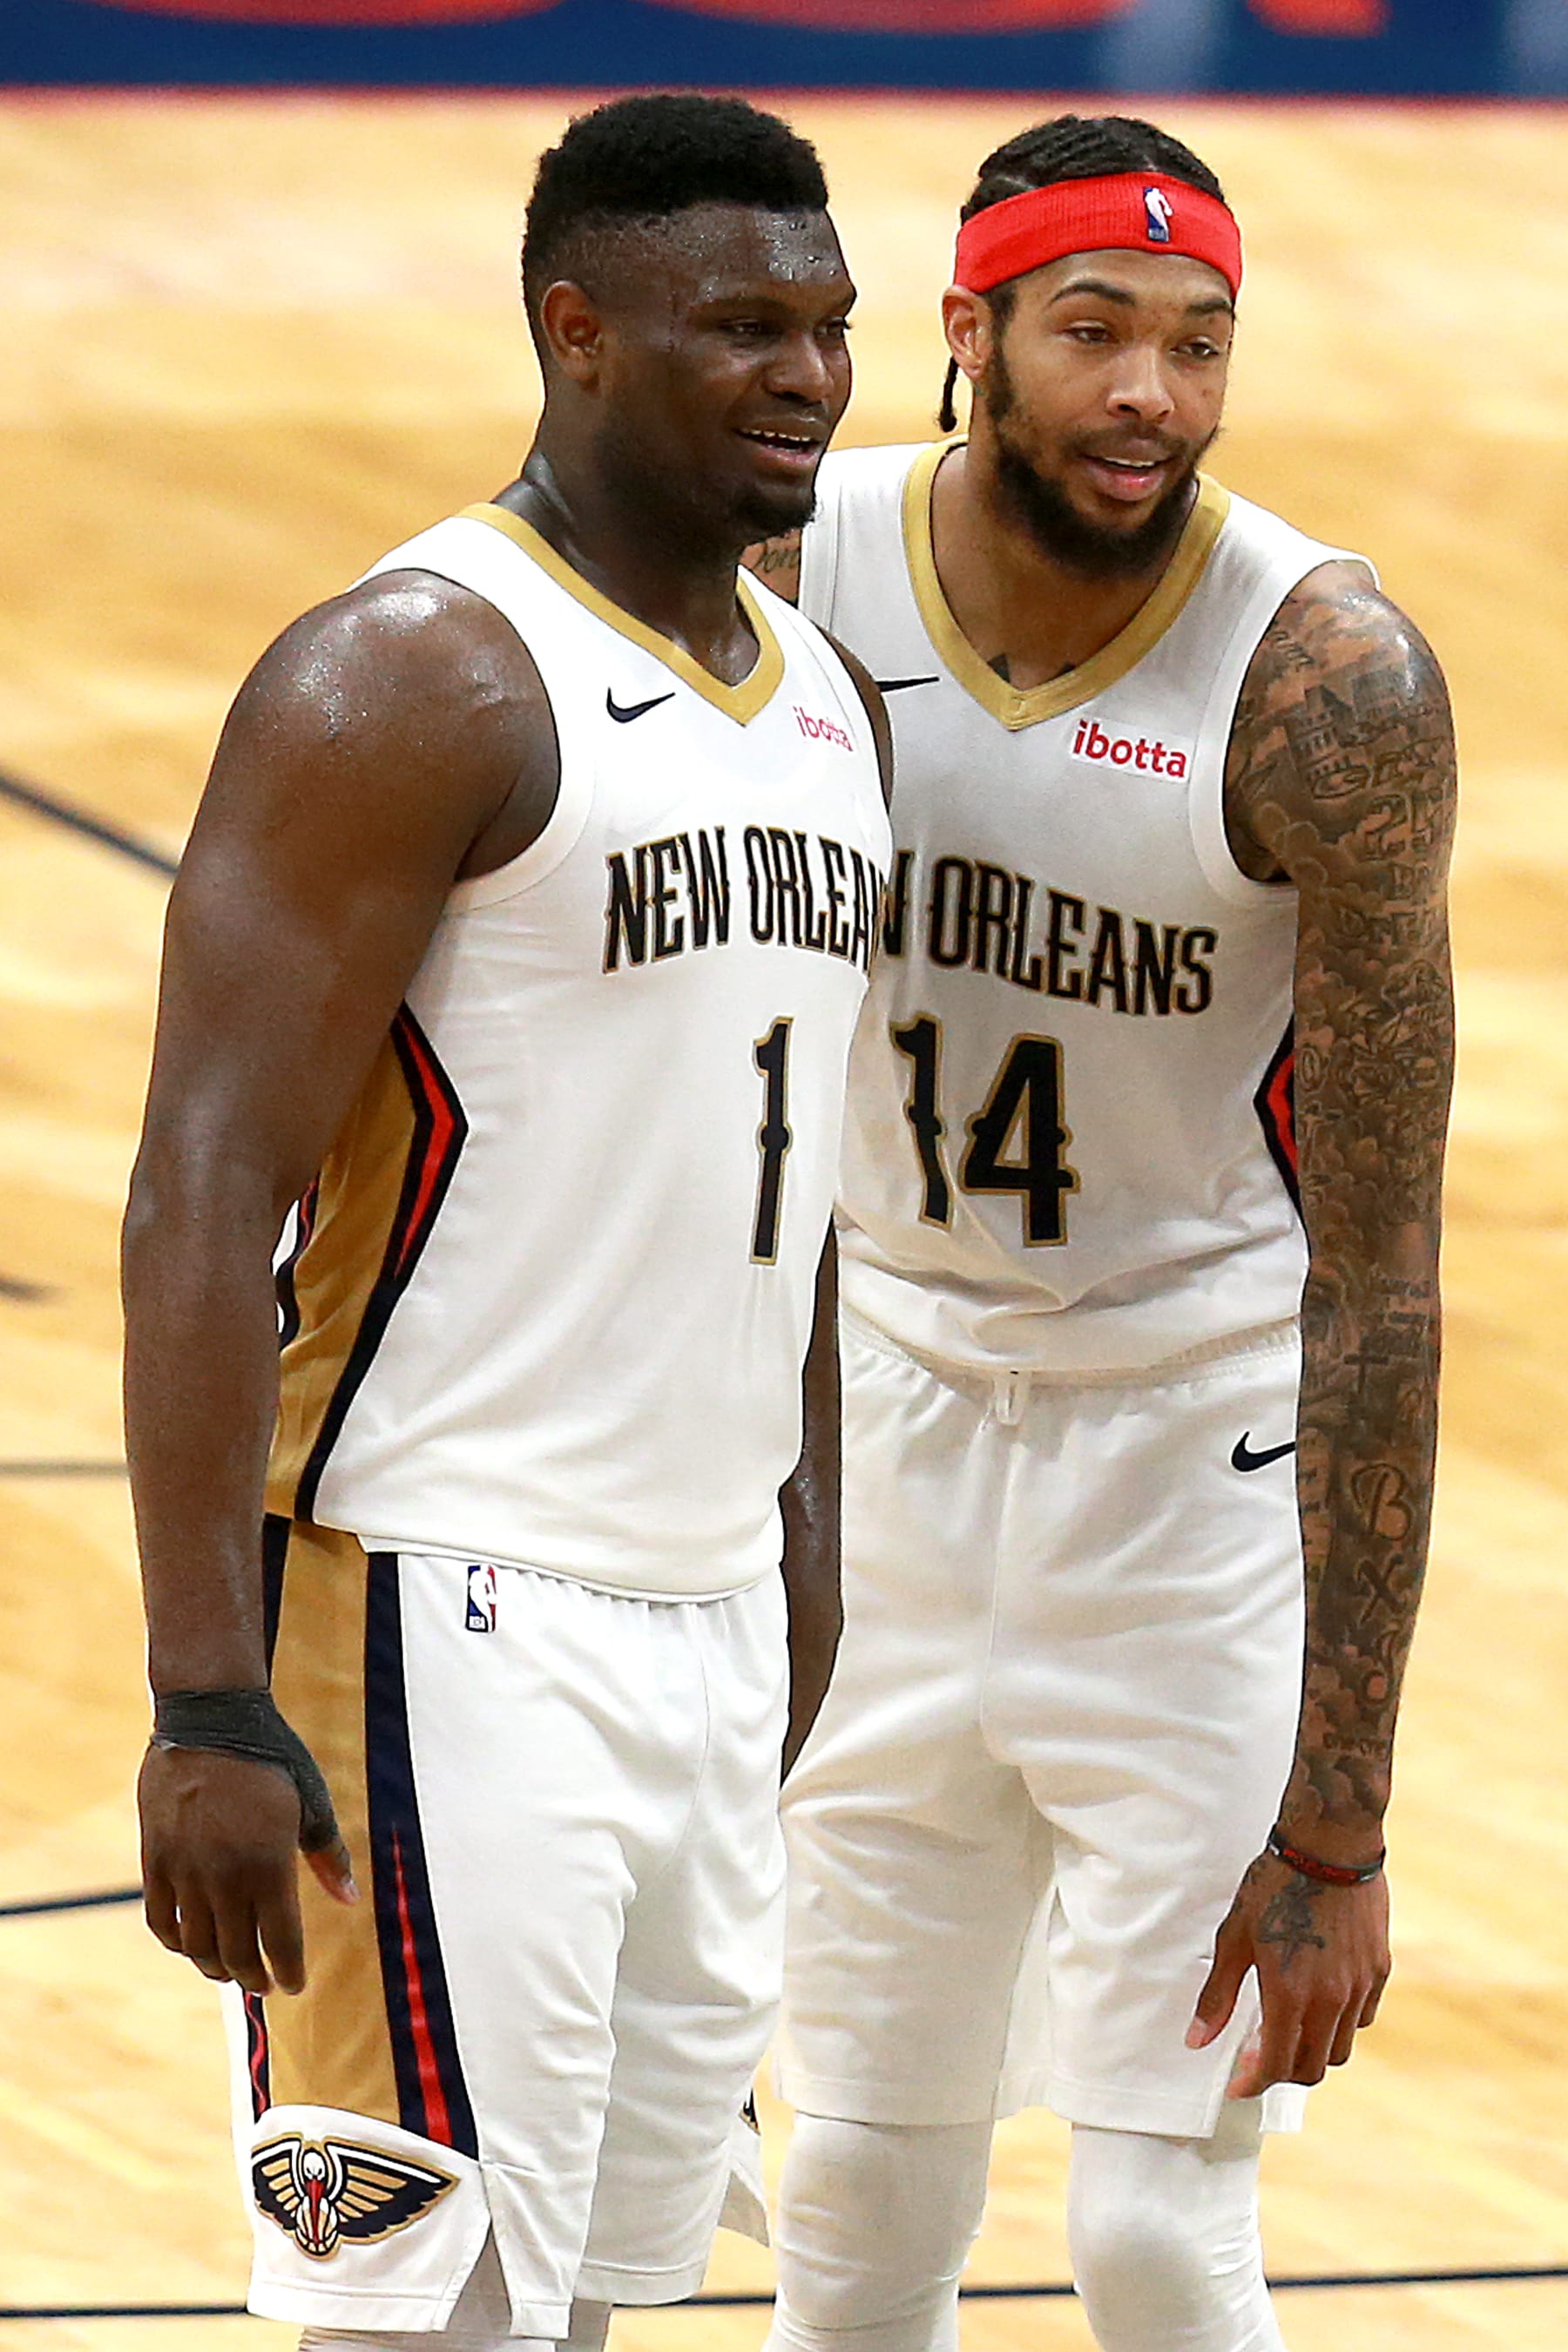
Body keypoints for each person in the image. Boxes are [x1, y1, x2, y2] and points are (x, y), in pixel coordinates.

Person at [122, 91, 891, 2352]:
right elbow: (198, 1194)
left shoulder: (825, 707)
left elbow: (796, 1175)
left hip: (707, 1610)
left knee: (602, 2299)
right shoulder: (408, 677)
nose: (810, 378)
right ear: (576, 331)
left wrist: (808, 1551)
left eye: (831, 328)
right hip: (436, 1604)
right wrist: (200, 1690)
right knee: (425, 2319)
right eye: (744, 325)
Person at [747, 112, 1455, 2352]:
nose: (1150, 391)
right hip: (888, 1428)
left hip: (1195, 1461)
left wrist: (1339, 1822)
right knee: (849, 2192)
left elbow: (1386, 1269)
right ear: (966, 335)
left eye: (1198, 341)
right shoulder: (793, 566)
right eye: (1094, 333)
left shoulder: (1323, 683)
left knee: (1156, 2231)